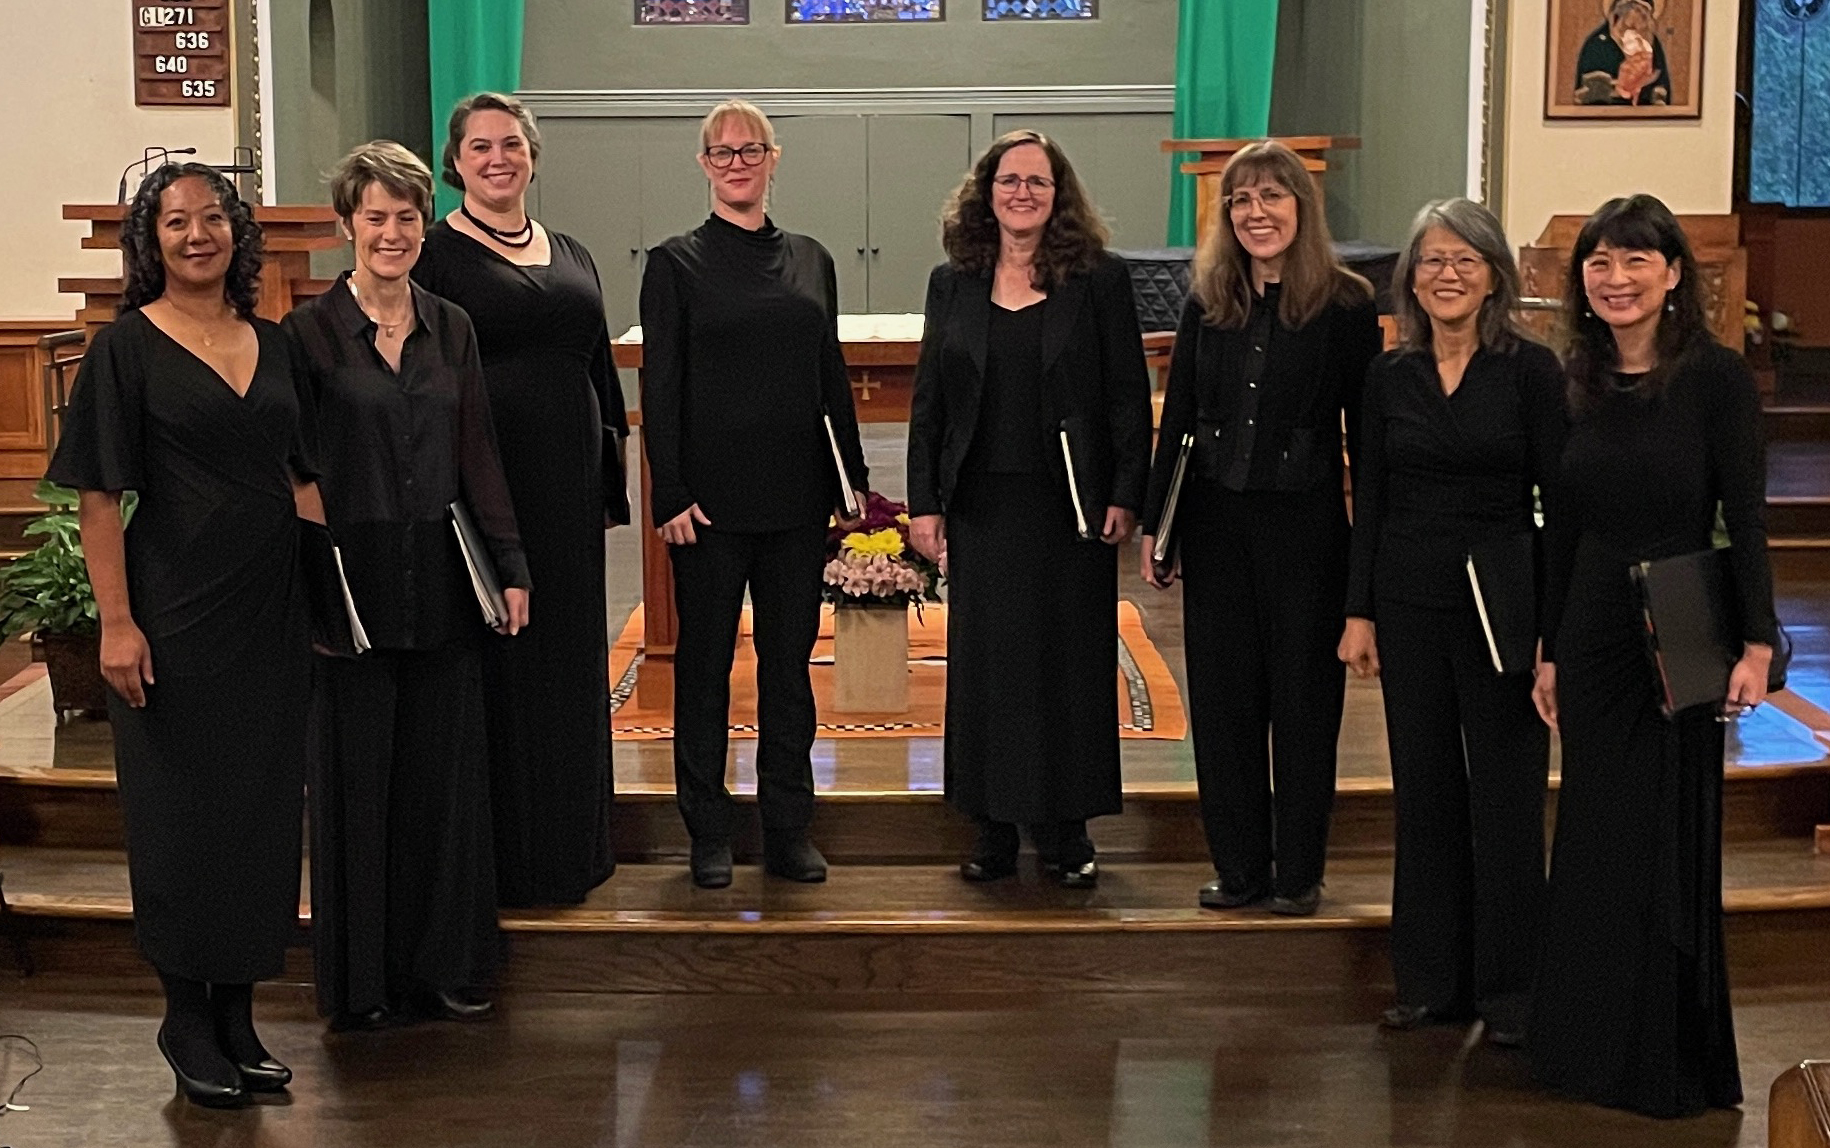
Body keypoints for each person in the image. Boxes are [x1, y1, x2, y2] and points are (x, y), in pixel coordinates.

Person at [48, 164, 320, 1107]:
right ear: (150, 242)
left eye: (212, 219)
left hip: (271, 612)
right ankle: (184, 1017)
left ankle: (240, 1014)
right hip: (171, 613)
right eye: (176, 222)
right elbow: (96, 494)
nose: (196, 234)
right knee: (179, 819)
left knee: (259, 815)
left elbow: (302, 478)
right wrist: (116, 624)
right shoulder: (124, 349)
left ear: (236, 234)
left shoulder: (277, 344)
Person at [1529, 194, 1773, 1118]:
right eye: (1600, 261)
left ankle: (1667, 1056)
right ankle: (1585, 1046)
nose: (1617, 277)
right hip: (1592, 617)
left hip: (1682, 612)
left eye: (1637, 260)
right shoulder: (1574, 380)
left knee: (1671, 829)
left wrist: (1757, 639)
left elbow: (1743, 515)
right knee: (1596, 826)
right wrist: (1548, 650)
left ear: (1675, 274)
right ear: (1580, 280)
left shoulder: (1715, 379)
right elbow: (1561, 528)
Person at [285, 141, 530, 1031]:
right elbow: (298, 474)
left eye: (406, 217)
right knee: (360, 787)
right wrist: (317, 589)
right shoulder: (308, 335)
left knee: (443, 784)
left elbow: (477, 455)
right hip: (353, 586)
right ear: (348, 223)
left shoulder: (451, 325)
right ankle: (365, 982)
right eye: (376, 217)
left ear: (425, 225)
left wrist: (509, 566)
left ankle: (446, 968)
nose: (392, 233)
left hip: (441, 576)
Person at [1337, 198, 1563, 1046]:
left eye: (1465, 259)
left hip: (1503, 603)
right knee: (1425, 793)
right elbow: (1374, 501)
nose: (1448, 274)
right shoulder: (1388, 377)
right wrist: (1360, 611)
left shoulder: (1531, 372)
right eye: (1431, 260)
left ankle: (1512, 993)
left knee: (1506, 797)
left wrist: (1552, 629)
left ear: (1494, 273)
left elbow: (1559, 504)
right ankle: (1432, 982)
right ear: (1410, 279)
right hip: (1409, 599)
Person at [1139, 140, 1381, 917]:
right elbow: (1177, 419)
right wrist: (1158, 527)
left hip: (1307, 531)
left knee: (1304, 705)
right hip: (1216, 526)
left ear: (1301, 209)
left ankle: (1298, 872)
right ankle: (1239, 867)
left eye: (1272, 196)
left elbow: (1367, 443)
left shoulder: (1344, 303)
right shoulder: (1209, 299)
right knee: (1224, 703)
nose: (1256, 213)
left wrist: (1364, 569)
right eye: (1241, 201)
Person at [905, 130, 1152, 888]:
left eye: (1037, 182)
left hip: (1070, 507)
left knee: (1069, 666)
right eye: (1008, 181)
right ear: (987, 193)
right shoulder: (954, 282)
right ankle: (991, 827)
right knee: (988, 669)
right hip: (983, 505)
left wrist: (1125, 493)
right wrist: (923, 504)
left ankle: (1067, 828)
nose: (1022, 193)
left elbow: (1126, 397)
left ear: (1059, 194)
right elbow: (930, 403)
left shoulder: (1098, 281)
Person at [639, 99, 869, 889]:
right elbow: (661, 385)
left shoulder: (812, 258)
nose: (738, 163)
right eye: (722, 152)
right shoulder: (674, 263)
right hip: (708, 509)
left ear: (775, 159)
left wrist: (852, 483)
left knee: (788, 668)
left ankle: (786, 825)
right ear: (703, 165)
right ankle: (707, 830)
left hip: (797, 500)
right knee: (703, 670)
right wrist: (669, 491)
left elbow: (828, 374)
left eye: (751, 150)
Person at [412, 92, 629, 908]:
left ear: (532, 154)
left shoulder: (570, 249)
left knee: (572, 666)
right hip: (487, 495)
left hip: (568, 497)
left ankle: (575, 849)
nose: (497, 158)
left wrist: (608, 480)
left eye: (511, 144)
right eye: (478, 147)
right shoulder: (434, 255)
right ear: (455, 163)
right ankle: (507, 862)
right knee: (504, 667)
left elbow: (597, 370)